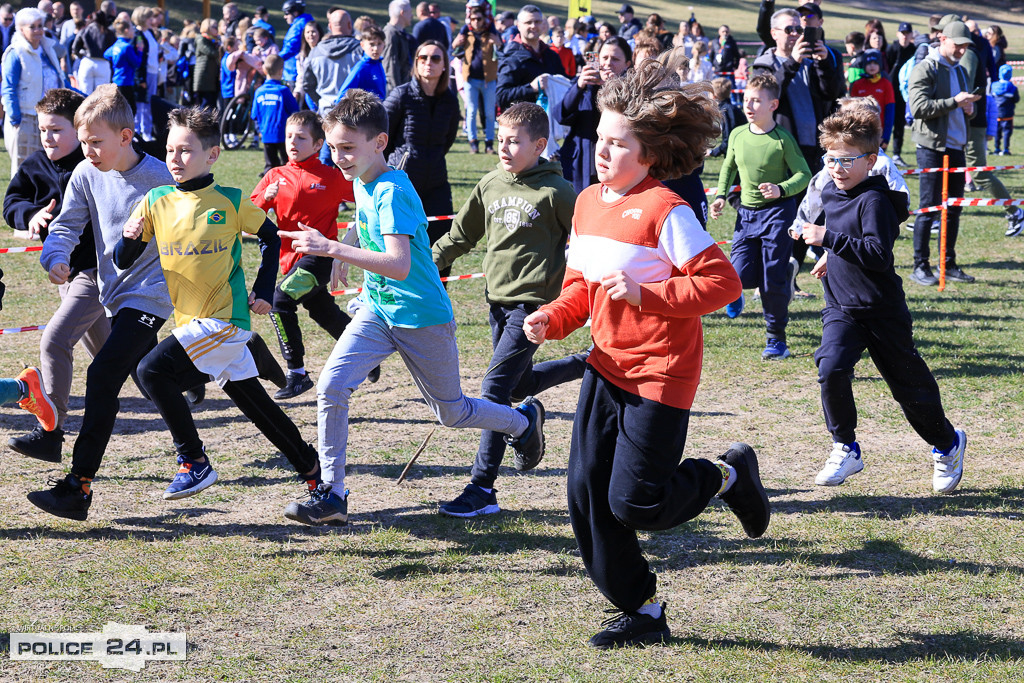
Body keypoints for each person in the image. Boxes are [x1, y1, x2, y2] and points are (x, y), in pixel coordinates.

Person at [522, 62, 768, 649]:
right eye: (601, 139)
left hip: (661, 374)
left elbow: (723, 285)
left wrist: (647, 294)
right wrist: (551, 318)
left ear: (650, 152)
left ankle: (727, 475)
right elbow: (581, 287)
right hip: (606, 367)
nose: (604, 152)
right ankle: (642, 610)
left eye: (619, 144)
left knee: (638, 503)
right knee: (586, 498)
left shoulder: (665, 210)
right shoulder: (585, 203)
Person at [275, 89, 546, 526]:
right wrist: (345, 244)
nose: (339, 157)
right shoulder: (364, 180)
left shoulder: (392, 190)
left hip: (422, 316)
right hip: (378, 311)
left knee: (452, 411)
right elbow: (369, 225)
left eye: (347, 148)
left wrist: (330, 250)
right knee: (330, 387)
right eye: (333, 148)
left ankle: (521, 421)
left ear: (378, 142)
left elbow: (399, 265)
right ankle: (333, 494)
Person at [106, 106, 320, 507]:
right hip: (193, 324)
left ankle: (193, 460)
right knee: (256, 406)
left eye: (185, 150)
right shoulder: (155, 201)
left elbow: (272, 238)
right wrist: (130, 237)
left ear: (213, 154)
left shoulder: (231, 201)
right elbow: (122, 259)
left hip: (225, 320)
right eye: (170, 150)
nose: (175, 158)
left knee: (151, 369)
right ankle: (313, 470)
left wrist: (264, 289)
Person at [799, 107, 966, 494]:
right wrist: (831, 254)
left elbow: (877, 254)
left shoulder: (874, 201)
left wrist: (828, 240)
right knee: (831, 366)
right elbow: (843, 233)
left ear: (870, 160)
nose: (836, 168)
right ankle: (846, 445)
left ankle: (948, 444)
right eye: (830, 159)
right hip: (841, 306)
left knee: (909, 389)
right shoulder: (829, 190)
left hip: (881, 310)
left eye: (846, 160)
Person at [29, 85, 175, 521]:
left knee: (104, 372)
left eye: (97, 142)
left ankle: (78, 487)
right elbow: (66, 225)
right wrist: (54, 256)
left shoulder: (160, 178)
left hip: (154, 294)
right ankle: (194, 453)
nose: (89, 151)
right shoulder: (85, 175)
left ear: (126, 137)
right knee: (151, 374)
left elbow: (194, 236)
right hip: (113, 293)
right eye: (85, 142)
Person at [432, 102, 574, 517]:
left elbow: (586, 242)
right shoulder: (490, 183)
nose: (504, 148)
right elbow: (460, 236)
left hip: (533, 307)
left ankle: (482, 489)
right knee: (516, 386)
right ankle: (578, 370)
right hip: (497, 300)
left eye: (515, 141)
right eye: (500, 139)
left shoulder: (557, 192)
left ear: (540, 145)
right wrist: (420, 267)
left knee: (493, 391)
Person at [3, 88, 104, 462]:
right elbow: (11, 202)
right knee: (119, 356)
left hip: (99, 273)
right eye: (43, 130)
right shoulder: (34, 165)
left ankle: (52, 432)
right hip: (66, 275)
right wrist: (30, 215)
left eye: (57, 130)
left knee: (54, 342)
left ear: (78, 129)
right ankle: (182, 378)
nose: (48, 138)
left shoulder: (96, 162)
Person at [250, 110, 360, 399]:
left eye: (301, 137)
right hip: (290, 262)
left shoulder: (331, 177)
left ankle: (296, 373)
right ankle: (364, 355)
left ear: (318, 145)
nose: (293, 143)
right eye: (289, 137)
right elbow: (247, 218)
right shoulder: (275, 176)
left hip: (319, 258)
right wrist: (265, 198)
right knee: (324, 313)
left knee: (279, 301)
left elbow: (365, 193)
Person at [710, 74, 811, 360]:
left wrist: (781, 189)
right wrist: (720, 196)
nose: (749, 105)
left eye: (756, 100)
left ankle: (776, 340)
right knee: (738, 275)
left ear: (773, 104)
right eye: (746, 100)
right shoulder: (738, 135)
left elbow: (805, 175)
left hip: (778, 214)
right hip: (746, 214)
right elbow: (728, 167)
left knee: (771, 281)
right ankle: (743, 289)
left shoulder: (782, 140)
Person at [907, 21, 981, 287]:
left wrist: (967, 110)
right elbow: (918, 107)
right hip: (932, 149)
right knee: (929, 209)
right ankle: (920, 265)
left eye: (965, 46)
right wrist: (954, 103)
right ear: (942, 38)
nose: (962, 50)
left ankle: (947, 264)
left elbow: (958, 105)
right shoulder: (925, 67)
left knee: (954, 210)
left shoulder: (959, 71)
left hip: (956, 149)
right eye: (958, 45)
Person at [383, 40, 461, 277]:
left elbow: (448, 138)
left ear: (445, 65)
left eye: (436, 58)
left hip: (436, 181)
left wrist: (431, 159)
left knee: (443, 244)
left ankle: (439, 303)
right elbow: (380, 136)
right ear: (416, 63)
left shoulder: (449, 99)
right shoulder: (401, 95)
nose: (429, 63)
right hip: (403, 183)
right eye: (423, 58)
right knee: (402, 248)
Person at [957, 16, 1024, 239]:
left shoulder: (969, 53)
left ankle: (1015, 212)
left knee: (978, 172)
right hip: (966, 119)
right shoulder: (975, 50)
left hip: (972, 120)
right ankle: (938, 217)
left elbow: (966, 87)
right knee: (952, 169)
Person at [554, 36, 631, 194]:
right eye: (604, 57)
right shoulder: (585, 84)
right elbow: (561, 115)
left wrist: (613, 88)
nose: (608, 63)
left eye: (615, 59)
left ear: (627, 65)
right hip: (579, 163)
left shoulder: (632, 90)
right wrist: (579, 86)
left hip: (613, 164)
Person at [2, 7, 71, 176]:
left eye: (40, 25)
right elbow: (8, 88)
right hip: (26, 118)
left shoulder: (48, 49)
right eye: (33, 27)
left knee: (49, 167)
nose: (38, 30)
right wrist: (15, 118)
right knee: (24, 168)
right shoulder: (15, 52)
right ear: (21, 29)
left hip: (51, 117)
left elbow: (63, 53)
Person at [496, 5, 565, 110]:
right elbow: (501, 96)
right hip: (521, 122)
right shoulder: (511, 57)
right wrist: (531, 87)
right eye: (528, 22)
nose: (533, 26)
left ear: (542, 24)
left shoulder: (551, 56)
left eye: (537, 22)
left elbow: (564, 85)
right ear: (518, 26)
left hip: (550, 121)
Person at [453, 3, 500, 154]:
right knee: (471, 111)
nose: (476, 22)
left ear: (484, 19)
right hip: (470, 79)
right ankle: (473, 142)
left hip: (489, 79)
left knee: (489, 112)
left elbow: (502, 49)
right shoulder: (467, 34)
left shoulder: (491, 33)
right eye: (473, 19)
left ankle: (489, 143)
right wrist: (456, 42)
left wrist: (498, 43)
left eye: (479, 19)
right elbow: (454, 48)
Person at [303, 8, 361, 115]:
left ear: (330, 27)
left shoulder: (315, 52)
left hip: (327, 112)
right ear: (349, 25)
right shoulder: (361, 50)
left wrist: (320, 101)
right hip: (355, 113)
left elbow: (307, 84)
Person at [251, 55, 299, 173]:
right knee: (287, 165)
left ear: (265, 71)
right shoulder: (283, 91)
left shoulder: (259, 91)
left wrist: (259, 130)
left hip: (266, 134)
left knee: (270, 166)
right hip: (284, 135)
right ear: (281, 71)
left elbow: (254, 115)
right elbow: (295, 111)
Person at [849, 50, 895, 148]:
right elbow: (851, 110)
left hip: (879, 133)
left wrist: (886, 137)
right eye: (869, 63)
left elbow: (890, 111)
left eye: (875, 63)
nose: (872, 66)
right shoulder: (857, 84)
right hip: (860, 132)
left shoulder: (886, 84)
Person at [886, 22, 917, 166]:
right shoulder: (892, 48)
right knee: (886, 123)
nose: (905, 36)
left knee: (899, 124)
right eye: (902, 33)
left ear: (911, 35)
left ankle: (897, 154)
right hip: (889, 92)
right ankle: (880, 153)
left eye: (907, 33)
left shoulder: (913, 50)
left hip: (904, 94)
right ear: (898, 34)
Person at [335, 24, 387, 102]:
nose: (376, 49)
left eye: (379, 44)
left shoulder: (378, 63)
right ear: (362, 45)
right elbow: (342, 96)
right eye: (372, 44)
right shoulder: (361, 67)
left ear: (384, 44)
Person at [71, 7, 114, 94]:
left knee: (85, 94)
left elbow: (75, 48)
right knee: (102, 96)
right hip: (103, 63)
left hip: (87, 62)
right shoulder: (109, 32)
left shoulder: (85, 30)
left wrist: (81, 55)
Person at [103, 17, 139, 113]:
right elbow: (136, 63)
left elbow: (106, 54)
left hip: (116, 80)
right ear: (126, 30)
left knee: (119, 109)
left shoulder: (116, 45)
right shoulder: (127, 47)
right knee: (131, 110)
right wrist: (140, 51)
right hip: (126, 81)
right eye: (132, 29)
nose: (133, 32)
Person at [279, 0, 313, 88]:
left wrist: (275, 59)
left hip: (293, 72)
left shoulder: (298, 26)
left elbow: (290, 48)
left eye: (286, 13)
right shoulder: (308, 21)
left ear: (295, 13)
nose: (284, 17)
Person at [707, 77, 743, 158]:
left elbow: (729, 140)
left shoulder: (726, 111)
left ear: (714, 96)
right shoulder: (728, 108)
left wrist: (713, 152)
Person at [383, 0, 413, 93]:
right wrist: (396, 93)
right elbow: (390, 65)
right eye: (410, 12)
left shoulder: (399, 33)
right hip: (395, 91)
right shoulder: (390, 34)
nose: (412, 16)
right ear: (402, 13)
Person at [192, 18, 220, 111]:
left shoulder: (213, 40)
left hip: (211, 77)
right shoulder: (201, 39)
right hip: (204, 77)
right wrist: (220, 46)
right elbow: (213, 53)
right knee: (205, 106)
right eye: (214, 27)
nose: (217, 29)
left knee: (211, 104)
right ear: (207, 28)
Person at [993, 64, 1018, 160]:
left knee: (997, 132)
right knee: (1007, 132)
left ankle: (996, 148)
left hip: (996, 114)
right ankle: (1006, 149)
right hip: (1008, 114)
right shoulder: (1012, 87)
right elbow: (1016, 99)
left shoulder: (994, 86)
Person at [293, 19, 321, 105]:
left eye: (313, 31)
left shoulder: (324, 52)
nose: (310, 35)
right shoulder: (301, 56)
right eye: (307, 32)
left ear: (319, 33)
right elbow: (301, 76)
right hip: (307, 95)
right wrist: (297, 91)